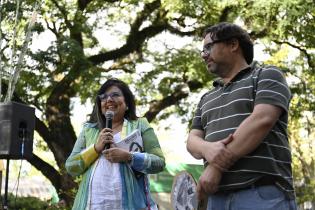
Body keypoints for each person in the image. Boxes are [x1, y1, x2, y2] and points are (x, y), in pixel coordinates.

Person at [186, 22, 297, 210]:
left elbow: (262, 120)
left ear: (233, 44)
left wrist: (216, 166)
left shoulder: (267, 75)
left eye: (208, 47)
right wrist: (207, 149)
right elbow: (192, 141)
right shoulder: (206, 98)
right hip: (216, 199)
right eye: (202, 50)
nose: (204, 55)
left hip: (261, 194)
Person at [65, 78, 165, 210]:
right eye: (104, 97)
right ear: (100, 105)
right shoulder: (89, 130)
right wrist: (95, 149)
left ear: (127, 103)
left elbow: (159, 163)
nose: (109, 100)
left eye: (115, 95)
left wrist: (129, 157)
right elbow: (71, 167)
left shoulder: (140, 125)